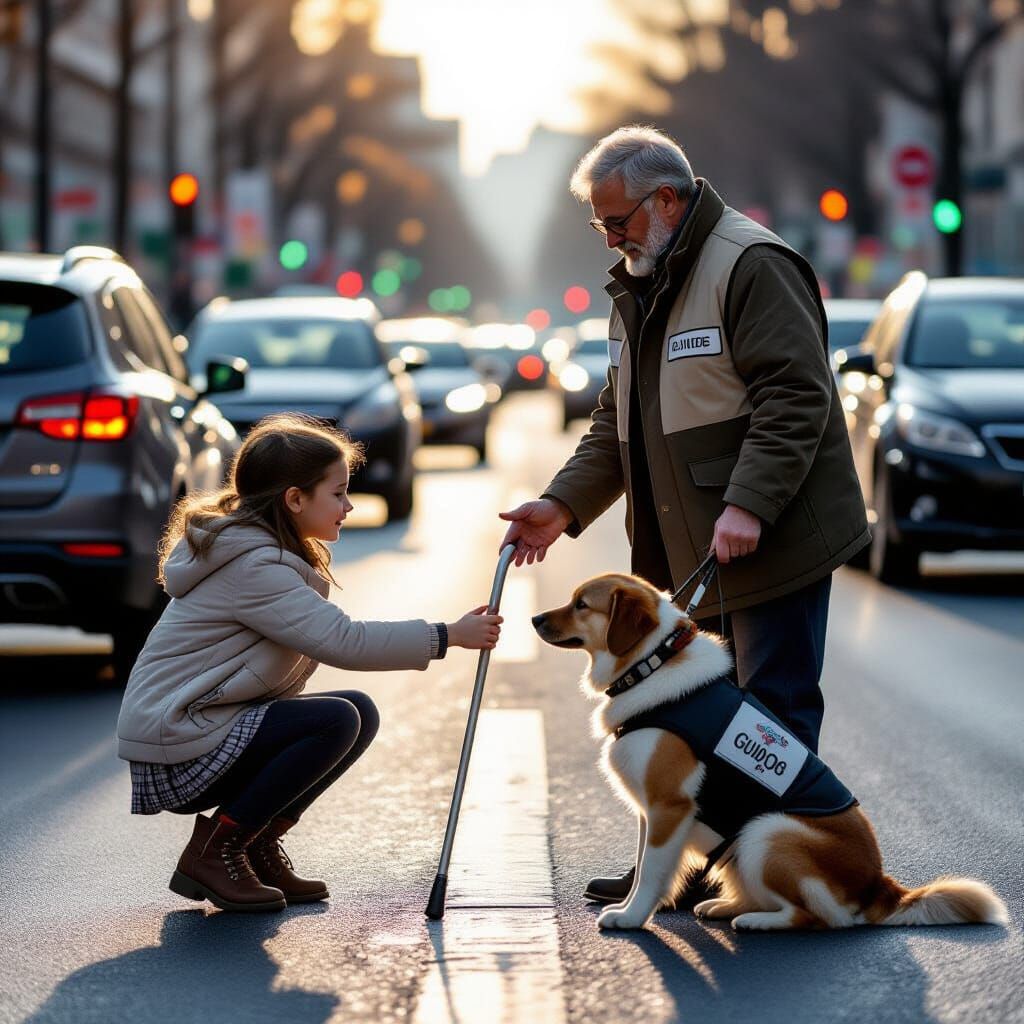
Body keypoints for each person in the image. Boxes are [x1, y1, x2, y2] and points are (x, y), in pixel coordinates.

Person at [500, 125, 869, 905]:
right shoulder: (641, 280)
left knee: (767, 719)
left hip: (771, 536)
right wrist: (560, 506)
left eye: (619, 219)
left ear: (667, 199)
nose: (609, 236)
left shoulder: (750, 264)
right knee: (679, 719)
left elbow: (795, 397)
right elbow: (616, 421)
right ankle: (675, 869)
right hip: (691, 546)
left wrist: (748, 504)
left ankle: (773, 879)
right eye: (600, 223)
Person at [117, 413, 502, 913]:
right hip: (179, 746)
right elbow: (344, 641)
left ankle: (252, 846)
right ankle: (217, 852)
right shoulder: (254, 566)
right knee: (334, 719)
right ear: (295, 500)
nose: (349, 505)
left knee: (356, 710)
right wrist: (446, 635)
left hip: (195, 733)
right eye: (338, 493)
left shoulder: (261, 552)